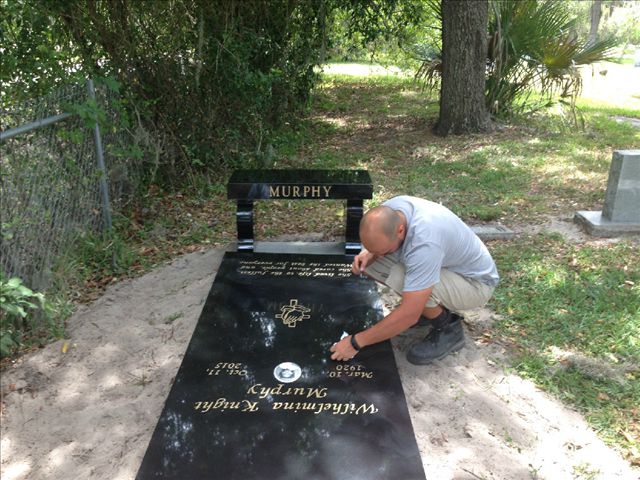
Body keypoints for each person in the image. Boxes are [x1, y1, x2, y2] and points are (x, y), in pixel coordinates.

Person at [330, 195, 499, 365]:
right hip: (445, 266)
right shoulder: (391, 210)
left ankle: (448, 327)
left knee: (400, 277)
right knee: (369, 264)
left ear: (401, 230)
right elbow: (378, 248)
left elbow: (409, 314)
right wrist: (370, 253)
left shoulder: (425, 243)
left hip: (474, 284)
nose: (381, 255)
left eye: (385, 250)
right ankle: (428, 310)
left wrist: (356, 343)